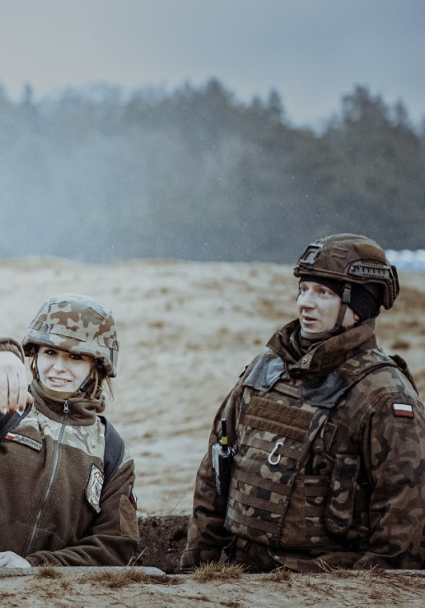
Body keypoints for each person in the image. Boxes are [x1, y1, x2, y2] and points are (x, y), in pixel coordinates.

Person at [182, 233, 425, 572]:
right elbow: (215, 471)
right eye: (304, 289)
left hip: (319, 588)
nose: (305, 303)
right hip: (238, 575)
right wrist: (199, 565)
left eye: (323, 293)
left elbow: (402, 519)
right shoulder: (265, 370)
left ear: (359, 308)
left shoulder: (383, 395)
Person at [0, 294, 139, 568]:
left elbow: (115, 545)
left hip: (47, 603)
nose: (58, 367)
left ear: (97, 366)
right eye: (49, 352)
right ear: (35, 356)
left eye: (75, 357)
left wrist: (36, 567)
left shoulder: (113, 452)